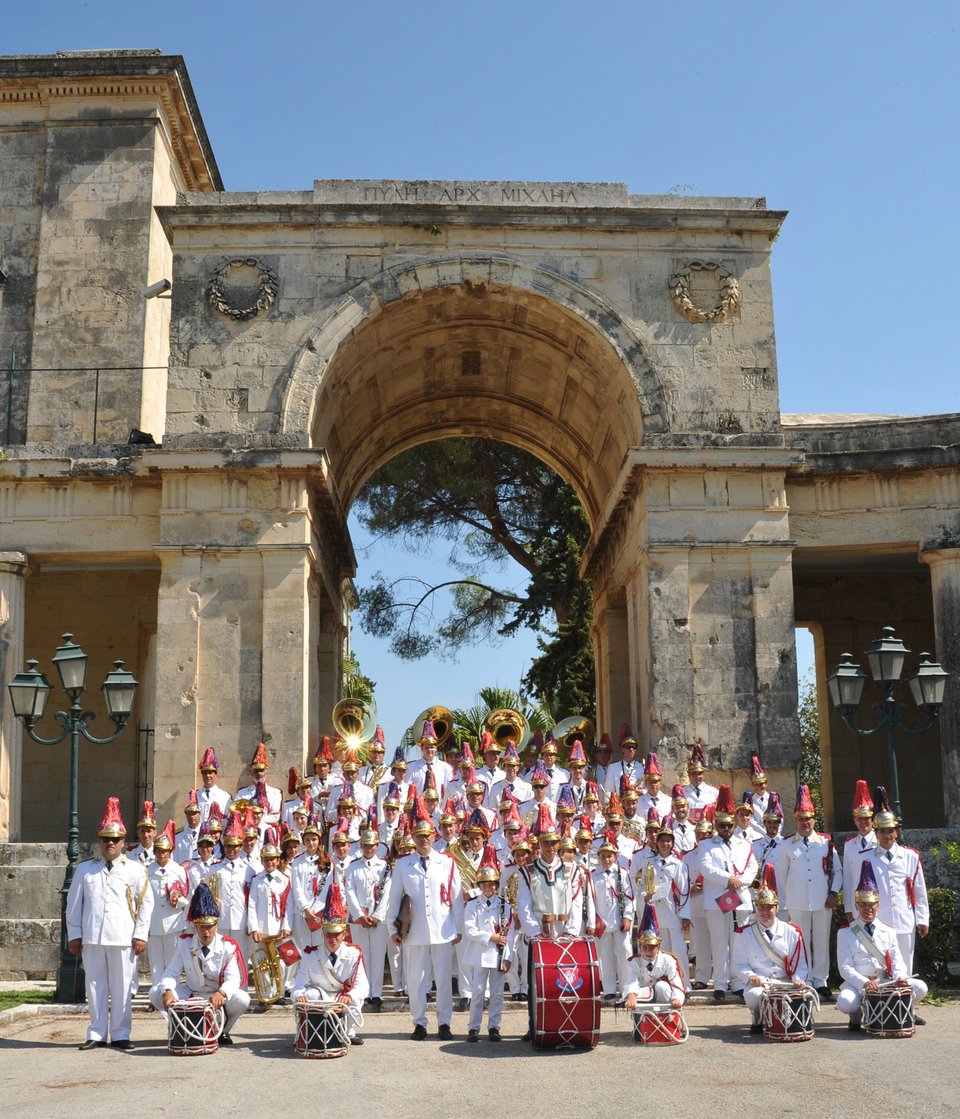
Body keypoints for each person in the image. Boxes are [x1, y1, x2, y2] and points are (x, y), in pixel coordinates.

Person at [65, 796, 153, 1050]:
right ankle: (96, 1033)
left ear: (123, 842)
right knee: (94, 986)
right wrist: (74, 935)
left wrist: (141, 934)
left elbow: (145, 904)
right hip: (93, 937)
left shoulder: (135, 869)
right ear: (99, 841)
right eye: (105, 839)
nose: (110, 843)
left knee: (123, 987)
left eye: (115, 839)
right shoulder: (85, 870)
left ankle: (121, 1033)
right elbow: (74, 904)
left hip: (123, 937)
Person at [386, 793, 464, 1040]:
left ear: (434, 836)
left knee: (443, 980)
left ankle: (444, 1023)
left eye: (427, 835)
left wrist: (459, 927)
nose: (424, 840)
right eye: (419, 836)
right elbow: (394, 898)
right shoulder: (403, 864)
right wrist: (392, 929)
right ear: (413, 838)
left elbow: (456, 896)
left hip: (442, 929)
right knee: (416, 980)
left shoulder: (446, 862)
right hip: (414, 931)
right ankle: (419, 1022)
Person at [150, 881, 250, 1045]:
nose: (206, 932)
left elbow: (233, 979)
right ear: (195, 926)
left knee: (242, 999)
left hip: (215, 995)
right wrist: (168, 990)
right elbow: (171, 973)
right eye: (201, 927)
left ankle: (223, 1031)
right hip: (192, 993)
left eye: (210, 926)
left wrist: (222, 993)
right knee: (155, 993)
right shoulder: (184, 944)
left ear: (216, 925)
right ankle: (179, 1026)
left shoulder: (227, 946)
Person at [836, 861, 927, 1031]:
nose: (868, 909)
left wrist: (900, 977)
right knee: (845, 1002)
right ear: (856, 906)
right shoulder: (845, 933)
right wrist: (864, 982)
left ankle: (903, 1010)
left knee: (921, 987)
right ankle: (856, 1016)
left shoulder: (889, 931)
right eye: (863, 904)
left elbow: (897, 959)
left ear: (878, 906)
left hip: (884, 981)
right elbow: (845, 968)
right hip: (858, 984)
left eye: (872, 904)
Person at [775, 784, 840, 1000]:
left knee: (821, 941)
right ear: (796, 821)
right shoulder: (786, 845)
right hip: (797, 901)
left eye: (809, 819)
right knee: (800, 942)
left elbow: (837, 871)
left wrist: (834, 892)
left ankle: (820, 980)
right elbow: (781, 877)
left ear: (814, 820)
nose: (805, 823)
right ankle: (804, 978)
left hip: (822, 900)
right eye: (801, 819)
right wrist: (784, 904)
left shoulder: (825, 843)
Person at [731, 865, 810, 1034]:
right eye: (761, 908)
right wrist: (750, 976)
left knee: (804, 994)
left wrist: (798, 979)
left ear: (777, 908)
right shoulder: (744, 934)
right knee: (754, 996)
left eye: (769, 907)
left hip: (786, 981)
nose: (765, 912)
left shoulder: (793, 931)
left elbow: (800, 963)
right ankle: (757, 1016)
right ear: (756, 909)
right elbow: (738, 965)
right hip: (762, 983)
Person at [699, 784, 758, 1000]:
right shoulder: (707, 845)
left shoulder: (744, 844)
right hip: (717, 900)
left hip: (740, 898)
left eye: (729, 825)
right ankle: (720, 983)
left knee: (738, 943)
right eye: (722, 825)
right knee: (719, 942)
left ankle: (738, 981)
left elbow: (753, 867)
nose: (726, 829)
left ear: (734, 824)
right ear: (716, 824)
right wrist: (727, 880)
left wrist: (740, 882)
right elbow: (706, 868)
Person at [292, 882, 369, 1045]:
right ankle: (306, 1032)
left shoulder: (354, 953)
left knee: (356, 999)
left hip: (342, 996)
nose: (332, 939)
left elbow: (362, 985)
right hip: (319, 998)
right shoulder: (310, 955)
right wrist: (299, 996)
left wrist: (350, 996)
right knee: (309, 995)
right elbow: (299, 984)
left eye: (336, 934)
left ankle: (348, 1032)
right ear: (322, 933)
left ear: (344, 934)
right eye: (328, 934)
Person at [868, 787, 929, 975]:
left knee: (905, 965)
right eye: (883, 831)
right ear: (876, 833)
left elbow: (919, 890)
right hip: (880, 920)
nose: (887, 835)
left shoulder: (910, 857)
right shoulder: (867, 859)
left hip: (904, 918)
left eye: (891, 831)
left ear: (897, 833)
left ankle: (905, 992)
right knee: (880, 965)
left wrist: (922, 919)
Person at [463, 849, 511, 1042]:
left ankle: (494, 1027)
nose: (488, 887)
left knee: (497, 994)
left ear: (496, 885)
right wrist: (491, 937)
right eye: (484, 884)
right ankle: (474, 1027)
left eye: (491, 884)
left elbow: (510, 934)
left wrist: (508, 957)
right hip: (480, 954)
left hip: (499, 954)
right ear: (479, 885)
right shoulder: (472, 905)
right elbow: (470, 930)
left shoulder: (505, 905)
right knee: (477, 992)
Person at [344, 821, 393, 1010]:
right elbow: (349, 892)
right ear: (361, 846)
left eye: (372, 845)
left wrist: (377, 916)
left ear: (377, 845)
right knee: (361, 956)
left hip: (378, 919)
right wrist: (359, 915)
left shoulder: (384, 867)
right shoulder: (352, 867)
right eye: (365, 845)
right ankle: (363, 992)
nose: (369, 849)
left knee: (378, 956)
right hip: (359, 920)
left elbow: (387, 893)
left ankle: (376, 993)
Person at [642, 821, 692, 991]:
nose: (665, 844)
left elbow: (684, 891)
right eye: (662, 841)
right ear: (657, 843)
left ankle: (684, 984)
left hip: (674, 912)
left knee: (679, 951)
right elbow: (643, 887)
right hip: (656, 913)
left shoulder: (679, 865)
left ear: (672, 843)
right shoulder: (650, 863)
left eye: (668, 841)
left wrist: (685, 915)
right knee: (660, 952)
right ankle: (662, 985)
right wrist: (646, 896)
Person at [591, 832, 635, 1001]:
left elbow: (629, 897)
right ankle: (609, 987)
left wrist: (628, 917)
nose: (606, 859)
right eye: (603, 856)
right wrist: (594, 921)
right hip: (602, 921)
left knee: (624, 951)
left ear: (615, 857)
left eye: (609, 856)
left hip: (619, 920)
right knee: (605, 955)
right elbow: (591, 899)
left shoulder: (622, 874)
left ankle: (625, 987)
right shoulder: (594, 875)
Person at [146, 820, 189, 984]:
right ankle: (157, 992)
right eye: (159, 851)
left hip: (173, 922)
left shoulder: (178, 870)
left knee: (172, 961)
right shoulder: (147, 870)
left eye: (165, 851)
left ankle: (172, 990)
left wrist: (177, 901)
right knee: (156, 963)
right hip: (154, 921)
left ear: (170, 852)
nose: (162, 854)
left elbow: (186, 895)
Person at [623, 902, 685, 1011]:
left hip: (665, 999)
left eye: (652, 947)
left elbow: (676, 982)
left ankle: (668, 1016)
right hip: (644, 998)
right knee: (635, 994)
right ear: (640, 947)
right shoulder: (634, 962)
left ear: (658, 947)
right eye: (645, 947)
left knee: (662, 986)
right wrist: (631, 995)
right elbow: (632, 980)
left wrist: (677, 999)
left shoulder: (668, 960)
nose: (648, 951)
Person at [843, 780, 877, 921]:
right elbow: (847, 879)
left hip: (877, 905)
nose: (863, 822)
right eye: (859, 819)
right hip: (858, 906)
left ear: (872, 820)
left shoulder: (880, 843)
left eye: (866, 818)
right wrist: (848, 909)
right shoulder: (849, 845)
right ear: (855, 820)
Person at [234, 742, 282, 825]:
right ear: (252, 773)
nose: (259, 773)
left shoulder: (275, 793)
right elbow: (236, 814)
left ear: (266, 772)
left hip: (267, 830)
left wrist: (256, 820)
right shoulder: (242, 793)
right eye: (256, 771)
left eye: (261, 770)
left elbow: (275, 817)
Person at [407, 719, 454, 799]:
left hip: (439, 805)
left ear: (436, 748)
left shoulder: (446, 768)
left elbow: (449, 792)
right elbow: (407, 790)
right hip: (418, 805)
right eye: (426, 747)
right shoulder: (412, 767)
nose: (429, 750)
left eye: (432, 747)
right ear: (422, 748)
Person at [192, 747, 232, 823]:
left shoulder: (225, 796)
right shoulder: (195, 795)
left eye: (210, 773)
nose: (207, 776)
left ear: (215, 775)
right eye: (205, 773)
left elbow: (229, 820)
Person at [682, 739, 719, 822]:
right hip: (689, 828)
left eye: (699, 773)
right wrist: (687, 820)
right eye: (693, 773)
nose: (696, 776)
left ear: (703, 774)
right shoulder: (682, 792)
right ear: (688, 774)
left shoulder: (714, 792)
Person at [603, 724, 642, 795]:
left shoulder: (642, 767)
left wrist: (643, 791)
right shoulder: (612, 768)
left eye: (634, 747)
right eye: (628, 747)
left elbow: (647, 789)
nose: (631, 749)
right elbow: (609, 790)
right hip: (620, 801)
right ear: (622, 749)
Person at [126, 799, 157, 865]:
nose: (145, 835)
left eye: (149, 831)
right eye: (142, 831)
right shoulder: (130, 852)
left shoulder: (160, 852)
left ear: (155, 833)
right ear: (138, 833)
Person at [175, 792, 203, 864]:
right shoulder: (178, 838)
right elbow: (175, 860)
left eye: (194, 813)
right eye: (189, 814)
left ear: (199, 814)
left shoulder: (205, 835)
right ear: (186, 816)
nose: (192, 816)